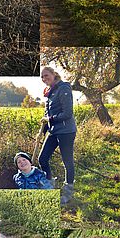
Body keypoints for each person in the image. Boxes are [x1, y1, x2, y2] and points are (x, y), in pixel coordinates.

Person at [39, 66, 77, 204]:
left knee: (67, 162)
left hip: (66, 131)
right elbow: (47, 112)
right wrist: (45, 128)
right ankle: (50, 185)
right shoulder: (49, 92)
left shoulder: (64, 88)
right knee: (42, 159)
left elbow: (67, 114)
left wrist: (50, 119)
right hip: (53, 131)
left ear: (54, 74)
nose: (44, 79)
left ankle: (68, 192)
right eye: (42, 77)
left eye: (46, 75)